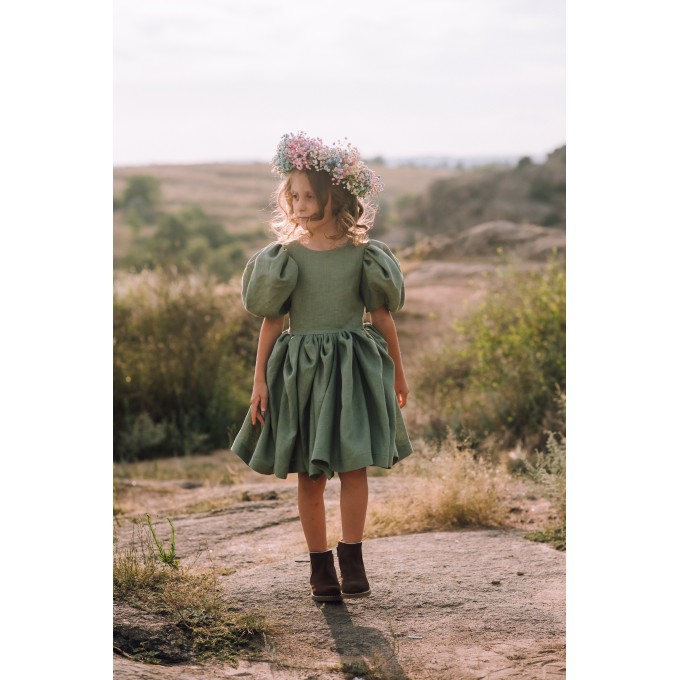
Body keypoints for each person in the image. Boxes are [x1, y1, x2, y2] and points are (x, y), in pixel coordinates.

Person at [231, 132, 413, 602]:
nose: (299, 201)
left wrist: (397, 371)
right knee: (310, 475)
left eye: (309, 194)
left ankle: (352, 559)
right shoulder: (285, 258)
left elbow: (382, 317)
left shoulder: (363, 255)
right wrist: (259, 384)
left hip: (353, 371)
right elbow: (272, 324)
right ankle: (320, 570)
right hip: (302, 375)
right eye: (293, 194)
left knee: (355, 467)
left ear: (334, 195)